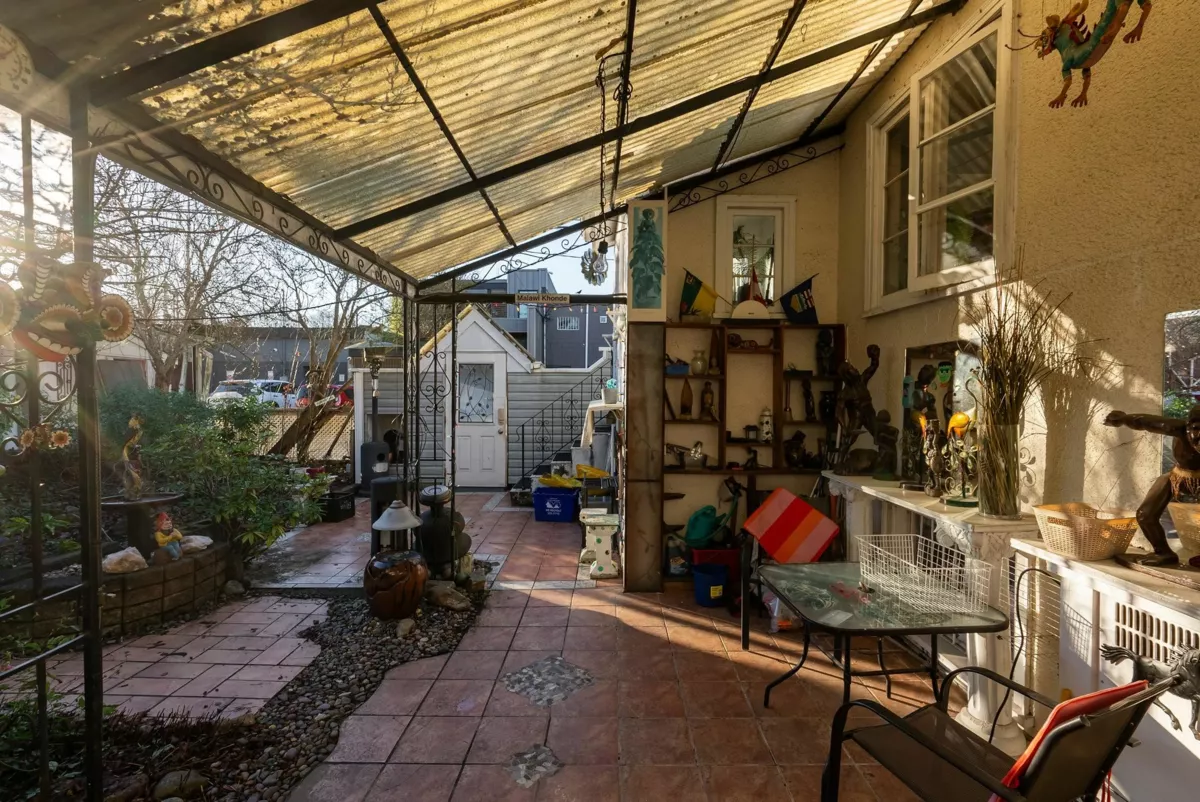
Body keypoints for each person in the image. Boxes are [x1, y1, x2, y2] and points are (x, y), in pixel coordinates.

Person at [1103, 404, 1200, 566]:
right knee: (1145, 514)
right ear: (1188, 425)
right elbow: (1145, 422)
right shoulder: (1178, 428)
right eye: (1197, 429)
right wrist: (1123, 419)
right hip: (1178, 476)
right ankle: (1163, 553)